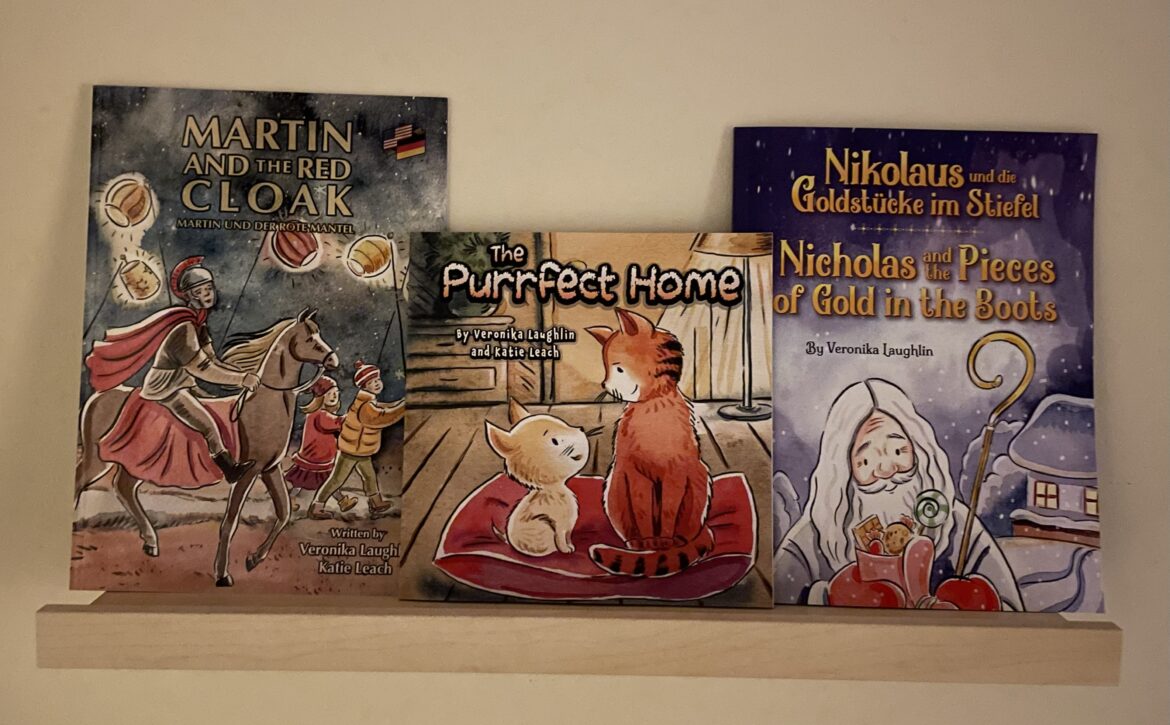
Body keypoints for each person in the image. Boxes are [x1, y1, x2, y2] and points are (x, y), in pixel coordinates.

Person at [774, 378, 1023, 609]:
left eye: (897, 451)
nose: (886, 470)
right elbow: (780, 599)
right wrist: (825, 598)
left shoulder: (958, 525)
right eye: (866, 461)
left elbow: (1010, 606)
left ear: (919, 450)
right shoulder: (815, 535)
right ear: (844, 469)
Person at [85, 256, 258, 482]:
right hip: (167, 389)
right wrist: (241, 379)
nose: (207, 294)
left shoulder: (198, 323)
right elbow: (202, 368)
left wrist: (240, 374)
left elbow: (213, 360)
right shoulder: (184, 329)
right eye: (200, 291)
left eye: (209, 288)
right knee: (208, 425)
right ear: (190, 296)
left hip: (183, 384)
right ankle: (230, 470)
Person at [308, 360, 404, 519]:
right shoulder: (366, 406)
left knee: (369, 477)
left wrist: (398, 404)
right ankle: (316, 507)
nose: (377, 383)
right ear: (364, 385)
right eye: (372, 382)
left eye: (378, 379)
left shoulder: (368, 400)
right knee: (337, 480)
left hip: (361, 450)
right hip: (351, 450)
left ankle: (376, 503)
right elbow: (380, 418)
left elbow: (381, 407)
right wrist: (401, 408)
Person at [284, 376, 357, 513]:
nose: (333, 396)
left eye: (336, 393)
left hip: (322, 457)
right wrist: (352, 416)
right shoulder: (319, 415)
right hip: (315, 457)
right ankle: (291, 499)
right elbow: (336, 423)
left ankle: (342, 501)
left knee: (327, 481)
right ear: (320, 397)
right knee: (309, 481)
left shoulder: (322, 414)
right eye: (329, 394)